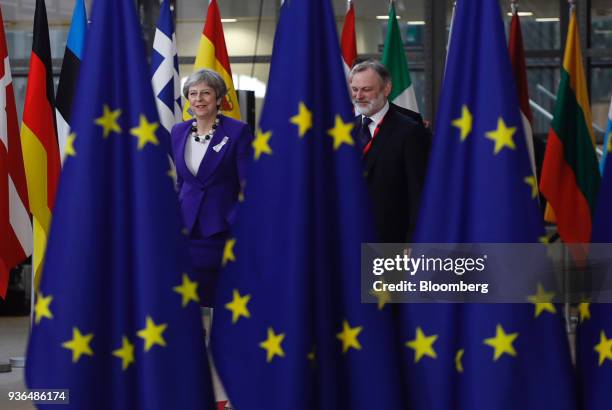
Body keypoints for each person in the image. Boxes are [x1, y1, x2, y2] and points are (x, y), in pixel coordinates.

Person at [171, 68, 253, 307]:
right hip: (186, 230)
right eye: (193, 94)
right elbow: (181, 181)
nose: (198, 99)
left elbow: (248, 184)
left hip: (221, 230)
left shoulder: (237, 131)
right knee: (186, 299)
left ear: (218, 98)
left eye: (205, 93)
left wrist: (238, 221)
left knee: (222, 299)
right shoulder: (178, 131)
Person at [349, 60, 430, 243]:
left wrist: (414, 242)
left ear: (386, 89)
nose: (359, 96)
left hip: (391, 242)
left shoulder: (410, 131)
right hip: (348, 241)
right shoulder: (344, 131)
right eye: (355, 89)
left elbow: (419, 193)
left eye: (366, 89)